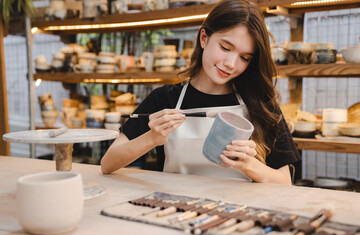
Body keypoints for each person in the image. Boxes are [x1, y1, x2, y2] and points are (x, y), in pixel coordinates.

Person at [101, 0, 301, 185]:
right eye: (225, 47)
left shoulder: (261, 104)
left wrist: (250, 165)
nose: (231, 64)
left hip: (237, 215)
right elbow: (107, 164)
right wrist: (151, 138)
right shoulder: (165, 98)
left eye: (245, 58)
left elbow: (285, 182)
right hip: (175, 211)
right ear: (204, 38)